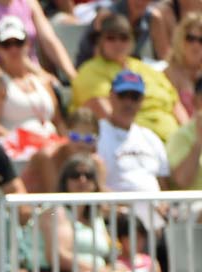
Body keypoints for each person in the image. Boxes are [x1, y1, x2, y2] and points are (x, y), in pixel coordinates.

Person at [71, 12, 185, 143]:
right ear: (100, 41)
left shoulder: (147, 69)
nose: (118, 43)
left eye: (123, 38)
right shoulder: (90, 71)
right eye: (111, 38)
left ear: (132, 41)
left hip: (174, 142)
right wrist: (145, 142)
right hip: (130, 143)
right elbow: (110, 118)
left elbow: (176, 104)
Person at [0, 15, 60, 165]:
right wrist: (21, 139)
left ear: (27, 44)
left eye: (18, 43)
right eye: (6, 44)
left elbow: (58, 121)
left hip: (50, 143)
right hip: (17, 150)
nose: (13, 49)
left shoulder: (42, 81)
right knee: (45, 157)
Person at [97, 69, 170, 194]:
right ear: (111, 96)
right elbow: (90, 182)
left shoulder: (150, 138)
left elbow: (162, 183)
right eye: (123, 95)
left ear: (142, 100)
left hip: (154, 210)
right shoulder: (96, 134)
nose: (128, 103)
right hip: (115, 212)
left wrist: (164, 205)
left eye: (134, 97)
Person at [164, 13, 202, 115]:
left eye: (201, 40)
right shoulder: (170, 72)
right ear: (180, 39)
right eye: (191, 38)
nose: (196, 45)